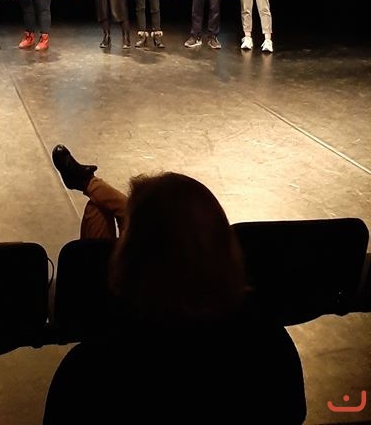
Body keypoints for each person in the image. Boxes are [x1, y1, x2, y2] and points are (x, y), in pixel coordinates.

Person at [46, 145, 307, 425]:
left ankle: (88, 184)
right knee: (118, 211)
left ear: (129, 262)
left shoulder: (90, 369)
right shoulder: (270, 345)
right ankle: (88, 183)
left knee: (104, 212)